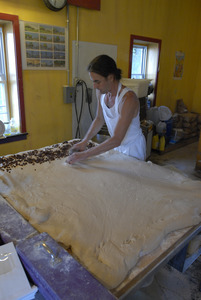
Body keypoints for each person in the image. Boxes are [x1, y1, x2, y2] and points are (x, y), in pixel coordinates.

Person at [67, 54, 146, 164]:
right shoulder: (101, 92)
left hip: (132, 149)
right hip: (116, 146)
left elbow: (117, 138)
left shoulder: (128, 99)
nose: (94, 86)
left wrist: (85, 154)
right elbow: (99, 119)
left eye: (97, 81)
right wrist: (84, 141)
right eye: (93, 81)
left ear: (110, 77)